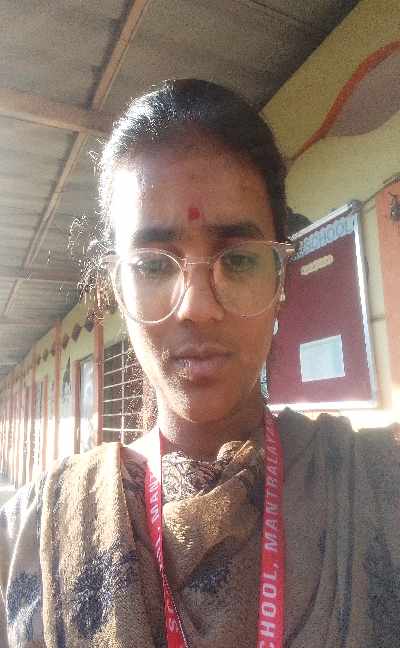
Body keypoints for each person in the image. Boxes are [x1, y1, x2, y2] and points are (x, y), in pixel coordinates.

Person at [0, 79, 399, 648]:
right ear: (117, 290)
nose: (198, 307)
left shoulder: (378, 490)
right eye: (153, 266)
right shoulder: (32, 534)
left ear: (281, 279)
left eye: (238, 259)